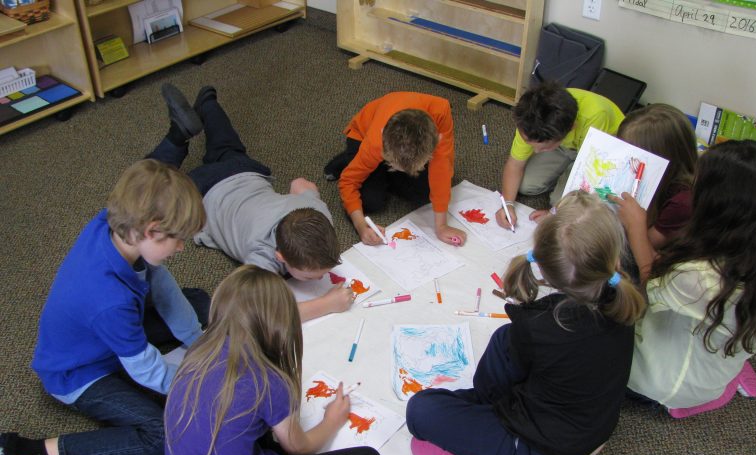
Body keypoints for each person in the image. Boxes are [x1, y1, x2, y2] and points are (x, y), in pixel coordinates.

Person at [0, 134, 210, 455]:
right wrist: (201, 385)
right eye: (178, 240)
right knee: (165, 435)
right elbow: (147, 371)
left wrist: (198, 341)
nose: (182, 248)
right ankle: (35, 452)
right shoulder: (109, 301)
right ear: (151, 231)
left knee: (198, 304)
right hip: (78, 375)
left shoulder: (115, 225)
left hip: (105, 334)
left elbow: (161, 284)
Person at [406, 191, 645, 455]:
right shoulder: (622, 296)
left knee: (421, 411)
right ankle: (482, 416)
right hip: (589, 426)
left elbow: (518, 366)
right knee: (505, 338)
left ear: (542, 268)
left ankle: (483, 441)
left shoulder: (539, 328)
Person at [164, 265, 387, 455]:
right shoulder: (268, 381)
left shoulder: (199, 351)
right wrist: (332, 420)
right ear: (279, 326)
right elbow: (299, 446)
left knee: (261, 440)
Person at [157, 83, 354, 323]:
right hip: (206, 191)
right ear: (280, 258)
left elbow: (301, 185)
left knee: (225, 142)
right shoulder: (263, 254)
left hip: (244, 172)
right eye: (310, 277)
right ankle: (181, 131)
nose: (320, 280)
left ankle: (206, 103)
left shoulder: (317, 212)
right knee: (159, 188)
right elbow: (259, 312)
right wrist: (326, 304)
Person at [616, 140, 756, 418]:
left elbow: (650, 282)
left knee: (603, 311)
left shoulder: (701, 277)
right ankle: (723, 375)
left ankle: (684, 401)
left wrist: (636, 228)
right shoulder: (749, 252)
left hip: (664, 386)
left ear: (716, 205)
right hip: (718, 349)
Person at [323, 91, 467, 247]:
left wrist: (442, 226)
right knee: (371, 201)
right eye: (392, 164)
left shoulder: (441, 113)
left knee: (425, 194)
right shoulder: (375, 142)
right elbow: (348, 182)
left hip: (391, 151)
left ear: (437, 140)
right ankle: (349, 158)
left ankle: (377, 170)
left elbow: (441, 168)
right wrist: (360, 226)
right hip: (362, 136)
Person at [498, 81, 624, 228]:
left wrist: (555, 213)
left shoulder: (596, 116)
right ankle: (561, 165)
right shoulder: (529, 120)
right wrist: (507, 204)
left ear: (571, 129)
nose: (536, 152)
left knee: (560, 202)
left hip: (603, 151)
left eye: (543, 148)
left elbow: (591, 177)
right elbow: (514, 165)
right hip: (564, 144)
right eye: (530, 144)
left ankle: (566, 171)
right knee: (525, 185)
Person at [612, 103, 698, 281]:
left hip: (652, 267)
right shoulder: (663, 180)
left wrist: (631, 222)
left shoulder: (682, 202)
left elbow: (642, 250)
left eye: (631, 155)